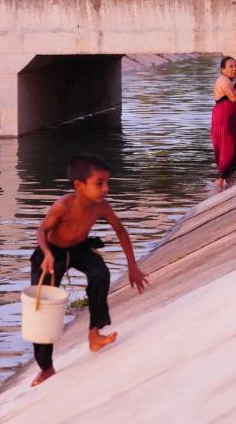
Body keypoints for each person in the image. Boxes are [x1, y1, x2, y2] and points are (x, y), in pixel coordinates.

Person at [29, 154, 149, 387]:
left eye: (107, 182)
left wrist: (133, 266)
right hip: (51, 253)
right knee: (43, 309)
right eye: (99, 183)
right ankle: (46, 367)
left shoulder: (101, 206)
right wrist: (47, 254)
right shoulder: (63, 205)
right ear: (79, 186)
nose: (106, 188)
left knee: (100, 273)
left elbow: (121, 231)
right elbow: (41, 231)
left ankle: (95, 333)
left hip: (79, 249)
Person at [211, 56, 236, 191]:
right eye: (230, 66)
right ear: (223, 69)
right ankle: (219, 181)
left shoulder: (228, 81)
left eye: (235, 66)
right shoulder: (224, 81)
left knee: (231, 144)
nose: (234, 69)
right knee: (227, 146)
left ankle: (224, 181)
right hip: (223, 118)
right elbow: (233, 98)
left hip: (227, 116)